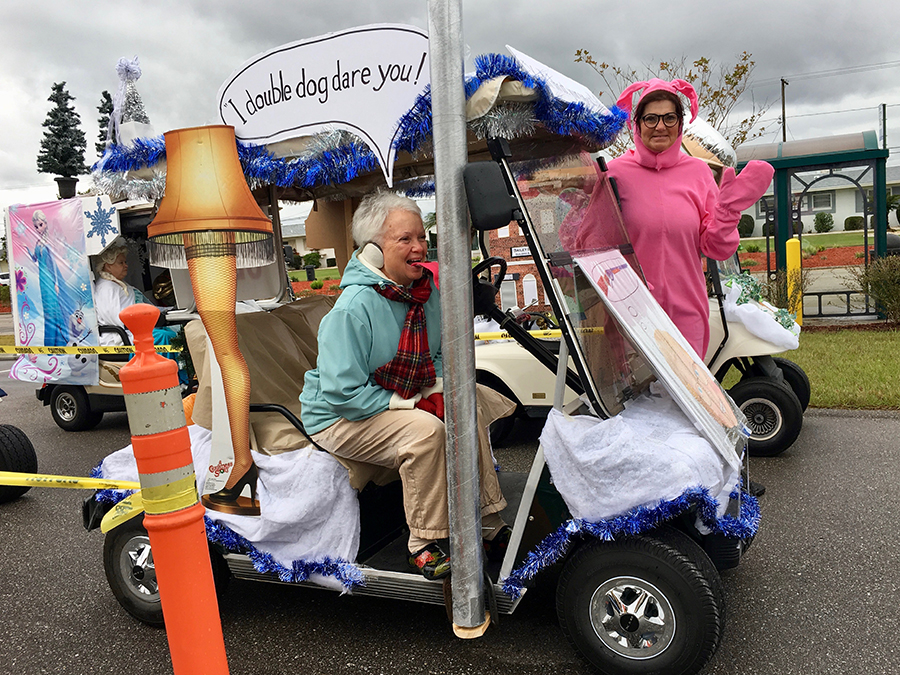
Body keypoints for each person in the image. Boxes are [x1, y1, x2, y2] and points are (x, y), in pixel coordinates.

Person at [300, 191, 510, 580]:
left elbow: (441, 353)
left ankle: (487, 522)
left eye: (421, 238)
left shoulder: (426, 293)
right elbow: (342, 393)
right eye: (405, 240)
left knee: (468, 403)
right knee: (426, 432)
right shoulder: (353, 308)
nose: (418, 248)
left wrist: (437, 390)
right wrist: (410, 404)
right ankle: (422, 543)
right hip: (339, 416)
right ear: (376, 251)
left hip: (397, 396)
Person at [601, 78, 774, 359]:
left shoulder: (699, 173)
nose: (660, 126)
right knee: (637, 401)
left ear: (680, 124)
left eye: (670, 117)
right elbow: (597, 241)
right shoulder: (614, 173)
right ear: (637, 124)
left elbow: (716, 247)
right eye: (651, 118)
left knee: (686, 397)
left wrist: (728, 211)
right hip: (632, 312)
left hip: (687, 312)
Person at [93, 241, 180, 350]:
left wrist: (170, 311)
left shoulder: (120, 284)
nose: (126, 265)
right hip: (122, 337)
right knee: (164, 336)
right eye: (121, 263)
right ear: (108, 266)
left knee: (178, 329)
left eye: (125, 262)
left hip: (135, 329)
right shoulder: (106, 288)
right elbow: (116, 318)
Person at [28, 210, 77, 346]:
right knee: (47, 309)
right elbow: (34, 258)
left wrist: (56, 282)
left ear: (45, 224)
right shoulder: (38, 242)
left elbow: (54, 264)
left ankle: (60, 339)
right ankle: (50, 341)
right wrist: (26, 249)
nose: (38, 229)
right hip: (42, 278)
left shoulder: (49, 242)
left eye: (40, 225)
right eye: (36, 226)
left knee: (53, 307)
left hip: (49, 277)